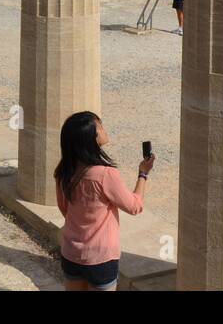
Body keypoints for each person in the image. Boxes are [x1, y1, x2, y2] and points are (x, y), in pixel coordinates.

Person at [53, 111, 153, 291]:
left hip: (71, 252)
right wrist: (143, 173)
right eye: (100, 125)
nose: (104, 129)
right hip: (100, 257)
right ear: (91, 137)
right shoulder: (105, 175)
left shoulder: (63, 172)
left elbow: (64, 209)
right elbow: (135, 206)